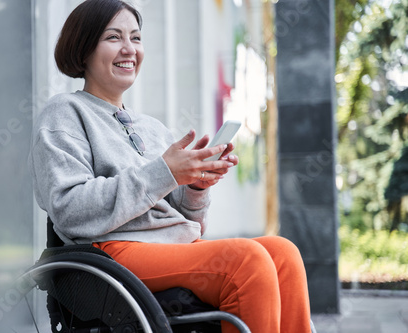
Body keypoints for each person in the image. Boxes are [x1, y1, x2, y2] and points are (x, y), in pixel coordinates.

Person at [28, 0, 312, 332]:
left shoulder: (152, 127)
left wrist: (194, 188)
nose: (129, 49)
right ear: (84, 47)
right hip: (110, 250)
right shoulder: (64, 112)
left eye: (135, 38)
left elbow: (187, 223)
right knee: (246, 260)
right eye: (113, 37)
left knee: (282, 253)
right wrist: (164, 172)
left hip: (172, 246)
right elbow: (70, 209)